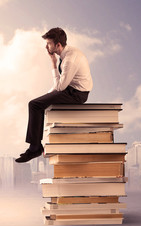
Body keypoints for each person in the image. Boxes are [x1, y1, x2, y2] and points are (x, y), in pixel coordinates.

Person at [15, 27, 93, 163]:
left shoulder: (70, 59)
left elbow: (60, 87)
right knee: (38, 103)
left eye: (49, 43)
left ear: (58, 45)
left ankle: (35, 149)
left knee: (34, 105)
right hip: (70, 89)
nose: (46, 46)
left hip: (77, 94)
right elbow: (60, 86)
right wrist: (47, 96)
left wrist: (53, 63)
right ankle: (35, 147)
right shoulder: (67, 54)